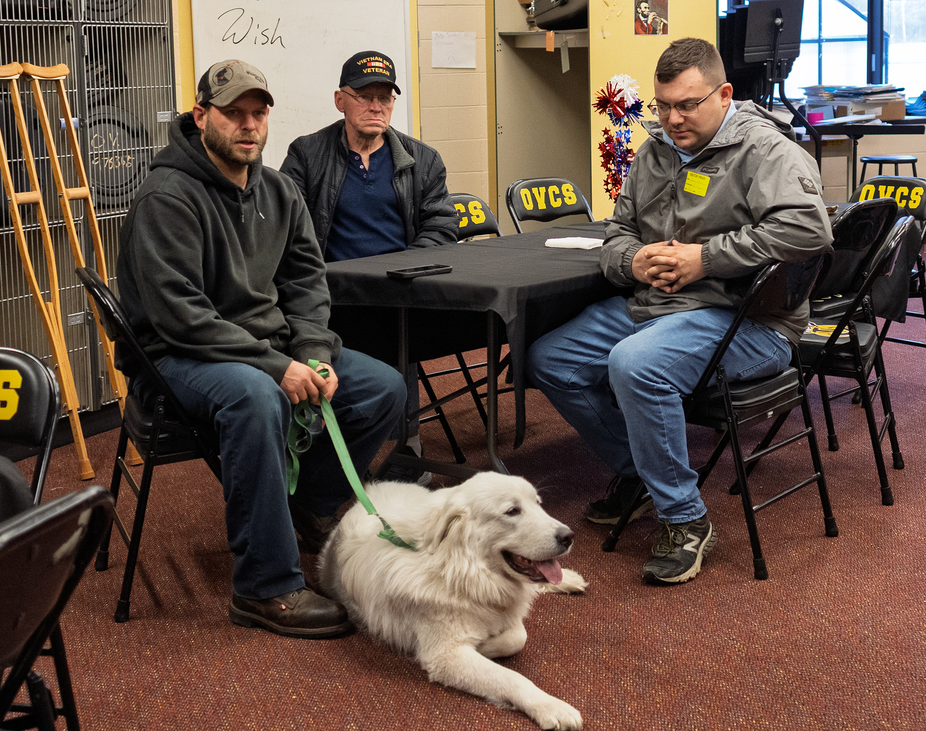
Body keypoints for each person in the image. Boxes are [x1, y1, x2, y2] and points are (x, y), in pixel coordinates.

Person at [115, 59, 407, 639]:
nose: (248, 126)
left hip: (266, 346)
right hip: (178, 356)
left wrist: (315, 351)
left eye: (258, 113)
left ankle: (313, 504)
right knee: (257, 398)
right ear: (202, 116)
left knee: (384, 388)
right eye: (232, 114)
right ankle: (264, 587)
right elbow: (181, 316)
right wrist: (277, 366)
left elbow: (305, 281)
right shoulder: (166, 196)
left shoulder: (277, 189)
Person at [527, 38, 833, 585]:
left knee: (634, 365)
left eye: (687, 104)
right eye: (663, 106)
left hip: (750, 320)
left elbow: (808, 229)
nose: (672, 118)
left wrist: (706, 258)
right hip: (659, 304)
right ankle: (641, 472)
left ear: (724, 95)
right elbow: (617, 232)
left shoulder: (766, 151)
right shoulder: (655, 151)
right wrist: (633, 262)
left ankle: (686, 518)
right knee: (550, 358)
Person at [280, 50, 458, 483]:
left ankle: (406, 443)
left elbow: (441, 224)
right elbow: (284, 228)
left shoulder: (423, 159)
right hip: (329, 294)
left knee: (405, 332)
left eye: (385, 97)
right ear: (341, 100)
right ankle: (318, 449)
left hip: (398, 291)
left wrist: (404, 271)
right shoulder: (306, 154)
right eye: (364, 96)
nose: (376, 106)